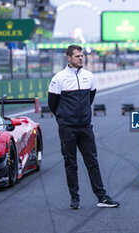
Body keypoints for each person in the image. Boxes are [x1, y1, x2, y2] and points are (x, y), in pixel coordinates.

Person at [48, 45, 120, 210]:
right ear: (69, 58)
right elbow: (53, 104)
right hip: (67, 128)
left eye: (82, 56)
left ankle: (102, 197)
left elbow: (90, 98)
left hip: (85, 127)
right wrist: (63, 118)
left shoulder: (89, 76)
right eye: (78, 56)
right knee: (71, 164)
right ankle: (75, 198)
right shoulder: (59, 78)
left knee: (92, 162)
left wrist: (83, 116)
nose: (81, 58)